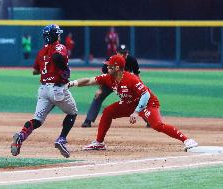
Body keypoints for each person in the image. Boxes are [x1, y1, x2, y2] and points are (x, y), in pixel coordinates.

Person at [67, 54, 198, 151]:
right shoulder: (108, 78)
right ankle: (99, 142)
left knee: (157, 125)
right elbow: (89, 81)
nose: (106, 67)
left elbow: (145, 94)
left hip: (147, 103)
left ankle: (187, 140)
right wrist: (72, 83)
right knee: (108, 112)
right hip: (130, 103)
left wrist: (136, 112)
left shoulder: (131, 79)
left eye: (109, 65)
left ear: (117, 67)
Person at [11, 24, 78, 158]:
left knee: (37, 120)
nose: (59, 35)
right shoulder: (59, 46)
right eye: (58, 34)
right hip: (57, 89)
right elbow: (58, 57)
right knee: (72, 113)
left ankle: (21, 136)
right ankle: (61, 139)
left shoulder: (41, 51)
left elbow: (35, 70)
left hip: (43, 89)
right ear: (55, 36)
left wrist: (46, 69)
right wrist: (61, 66)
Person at [82, 44, 151, 128]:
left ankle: (149, 120)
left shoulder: (132, 60)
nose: (123, 55)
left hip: (126, 84)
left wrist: (138, 88)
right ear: (116, 53)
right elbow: (103, 75)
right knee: (98, 96)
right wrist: (100, 89)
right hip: (110, 83)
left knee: (136, 99)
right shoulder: (109, 60)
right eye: (120, 53)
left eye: (125, 53)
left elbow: (137, 75)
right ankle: (88, 120)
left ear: (127, 53)